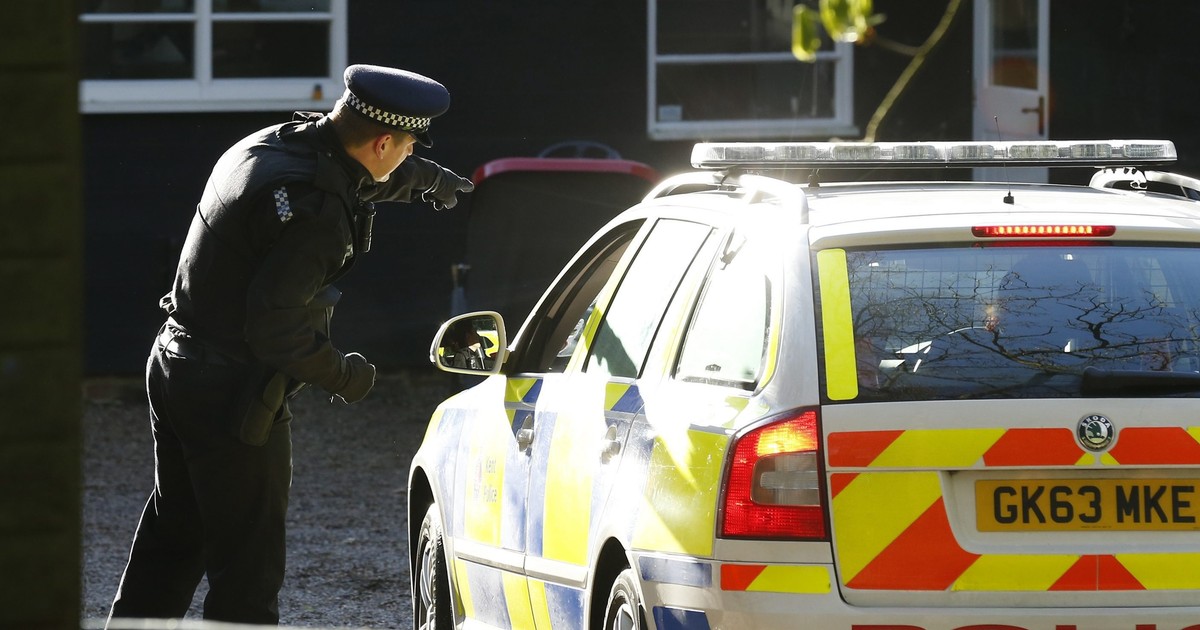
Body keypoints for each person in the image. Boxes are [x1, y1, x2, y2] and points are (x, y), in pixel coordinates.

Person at [107, 64, 474, 626]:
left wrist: (425, 178)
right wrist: (343, 375)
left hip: (177, 364)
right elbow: (275, 329)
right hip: (232, 393)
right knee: (248, 574)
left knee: (175, 535)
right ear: (382, 140)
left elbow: (358, 172)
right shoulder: (316, 216)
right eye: (403, 149)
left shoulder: (274, 146)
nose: (400, 160)